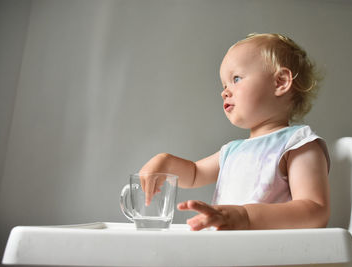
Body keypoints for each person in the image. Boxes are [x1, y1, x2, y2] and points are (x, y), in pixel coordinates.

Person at [139, 33, 330, 231]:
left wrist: (245, 216)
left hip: (273, 256)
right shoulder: (232, 151)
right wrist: (165, 162)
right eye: (224, 85)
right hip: (234, 253)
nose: (225, 91)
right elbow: (195, 173)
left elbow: (315, 211)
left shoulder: (297, 143)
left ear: (280, 82)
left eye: (236, 79)